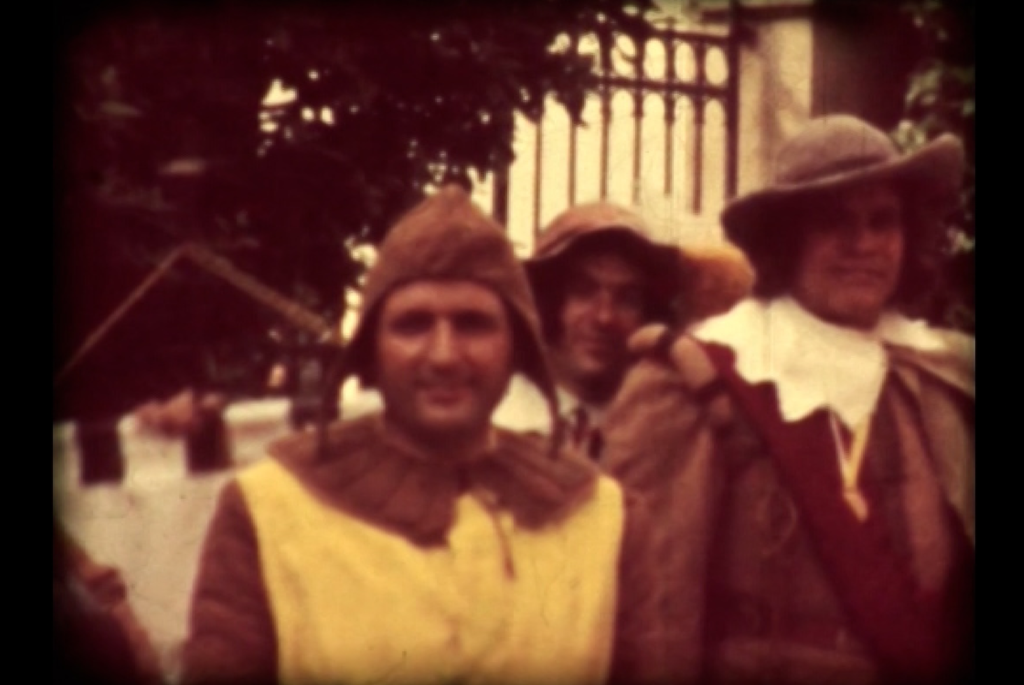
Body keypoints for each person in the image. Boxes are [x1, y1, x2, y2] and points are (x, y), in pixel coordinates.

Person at [180, 184, 665, 685]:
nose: (444, 355)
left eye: (473, 324)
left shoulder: (607, 520)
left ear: (516, 346)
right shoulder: (267, 510)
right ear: (371, 348)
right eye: (413, 325)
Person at [600, 115, 975, 684]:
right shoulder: (699, 376)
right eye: (834, 222)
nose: (864, 244)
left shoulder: (934, 375)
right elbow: (653, 614)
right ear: (786, 239)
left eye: (883, 221)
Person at [495, 201, 752, 462]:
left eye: (628, 298)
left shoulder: (670, 430)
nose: (605, 317)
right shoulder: (493, 420)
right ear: (544, 300)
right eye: (583, 291)